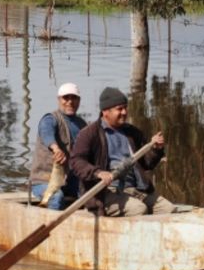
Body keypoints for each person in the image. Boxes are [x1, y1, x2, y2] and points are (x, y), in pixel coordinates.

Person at [70, 87, 175, 217]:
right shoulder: (89, 134)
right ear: (105, 112)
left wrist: (155, 150)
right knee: (138, 210)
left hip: (137, 188)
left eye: (125, 108)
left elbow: (147, 163)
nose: (124, 112)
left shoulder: (132, 132)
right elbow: (76, 162)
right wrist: (98, 173)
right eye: (119, 109)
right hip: (105, 192)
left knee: (169, 210)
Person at [28, 82, 87, 210]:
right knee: (56, 197)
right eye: (66, 98)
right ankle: (52, 228)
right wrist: (56, 149)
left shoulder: (82, 125)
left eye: (74, 98)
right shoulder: (50, 119)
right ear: (59, 99)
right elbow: (46, 133)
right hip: (44, 181)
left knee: (91, 194)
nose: (70, 102)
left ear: (79, 100)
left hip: (70, 181)